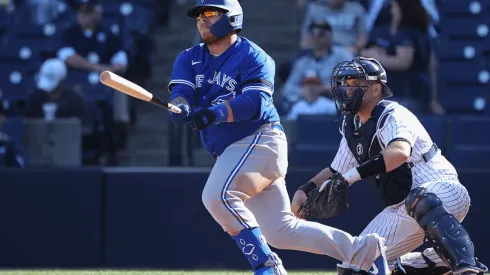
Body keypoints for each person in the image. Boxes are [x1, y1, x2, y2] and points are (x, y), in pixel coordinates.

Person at [167, 1, 390, 274]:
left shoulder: (252, 55)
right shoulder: (189, 57)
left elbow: (256, 101)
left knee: (217, 196)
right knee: (281, 231)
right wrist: (183, 106)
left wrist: (211, 115)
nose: (202, 19)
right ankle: (364, 251)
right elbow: (181, 91)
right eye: (199, 15)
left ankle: (267, 267)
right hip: (234, 153)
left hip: (260, 140)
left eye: (211, 13)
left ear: (232, 18)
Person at [290, 56, 489, 275]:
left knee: (420, 198)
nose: (347, 90)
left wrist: (349, 179)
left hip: (444, 191)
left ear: (376, 89)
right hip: (402, 207)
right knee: (356, 263)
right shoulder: (352, 125)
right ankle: (437, 261)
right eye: (345, 84)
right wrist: (305, 189)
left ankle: (467, 267)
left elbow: (400, 152)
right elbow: (336, 170)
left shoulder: (393, 114)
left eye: (355, 84)